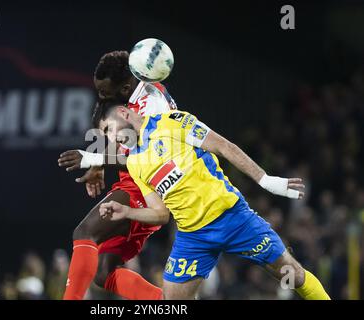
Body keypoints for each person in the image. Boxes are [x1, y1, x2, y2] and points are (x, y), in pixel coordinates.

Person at [94, 101, 331, 300]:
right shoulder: (135, 163)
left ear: (124, 113)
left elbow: (223, 146)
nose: (112, 139)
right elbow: (160, 214)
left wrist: (265, 180)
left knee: (293, 276)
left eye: (108, 130)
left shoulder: (171, 122)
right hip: (192, 237)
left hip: (233, 218)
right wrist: (127, 212)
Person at [58, 51, 176, 300]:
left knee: (84, 233)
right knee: (103, 272)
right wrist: (99, 165)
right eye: (98, 90)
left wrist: (92, 158)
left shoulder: (150, 107)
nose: (100, 97)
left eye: (105, 92)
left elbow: (146, 157)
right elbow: (102, 113)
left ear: (124, 88)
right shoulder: (130, 88)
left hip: (149, 186)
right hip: (135, 181)